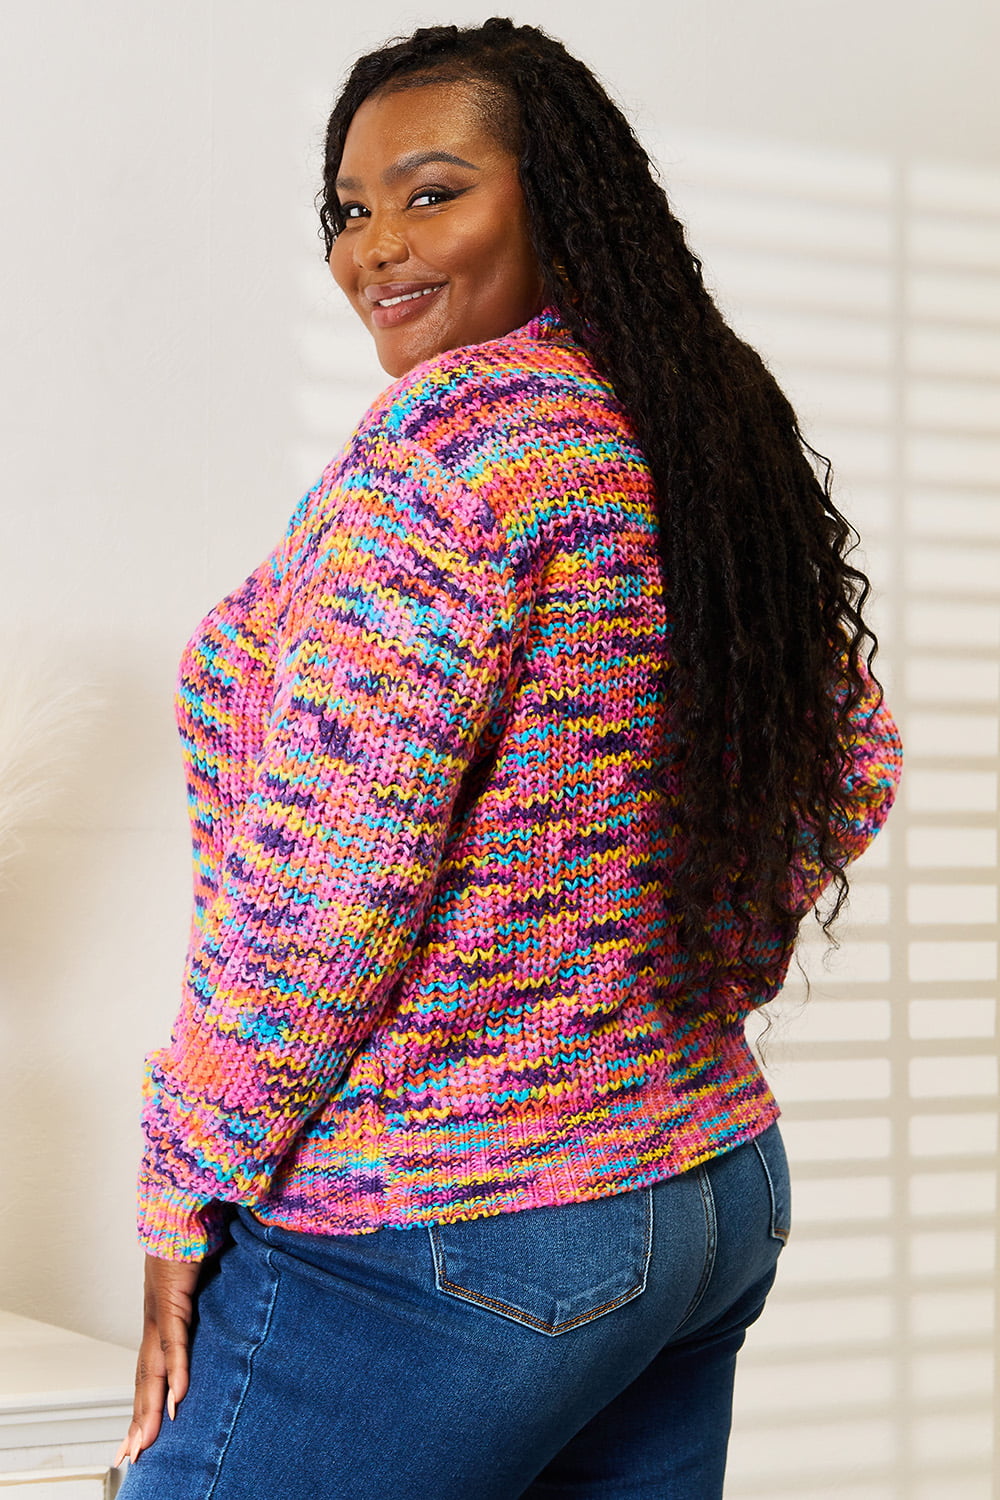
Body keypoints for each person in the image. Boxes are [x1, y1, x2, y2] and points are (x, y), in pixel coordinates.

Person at [114, 18, 902, 1499]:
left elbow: (324, 896)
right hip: (696, 1188)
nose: (375, 249)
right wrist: (671, 982)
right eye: (349, 209)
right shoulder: (690, 433)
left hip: (446, 1226)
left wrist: (182, 1185)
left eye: (433, 191)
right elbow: (847, 749)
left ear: (557, 197)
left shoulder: (448, 461)